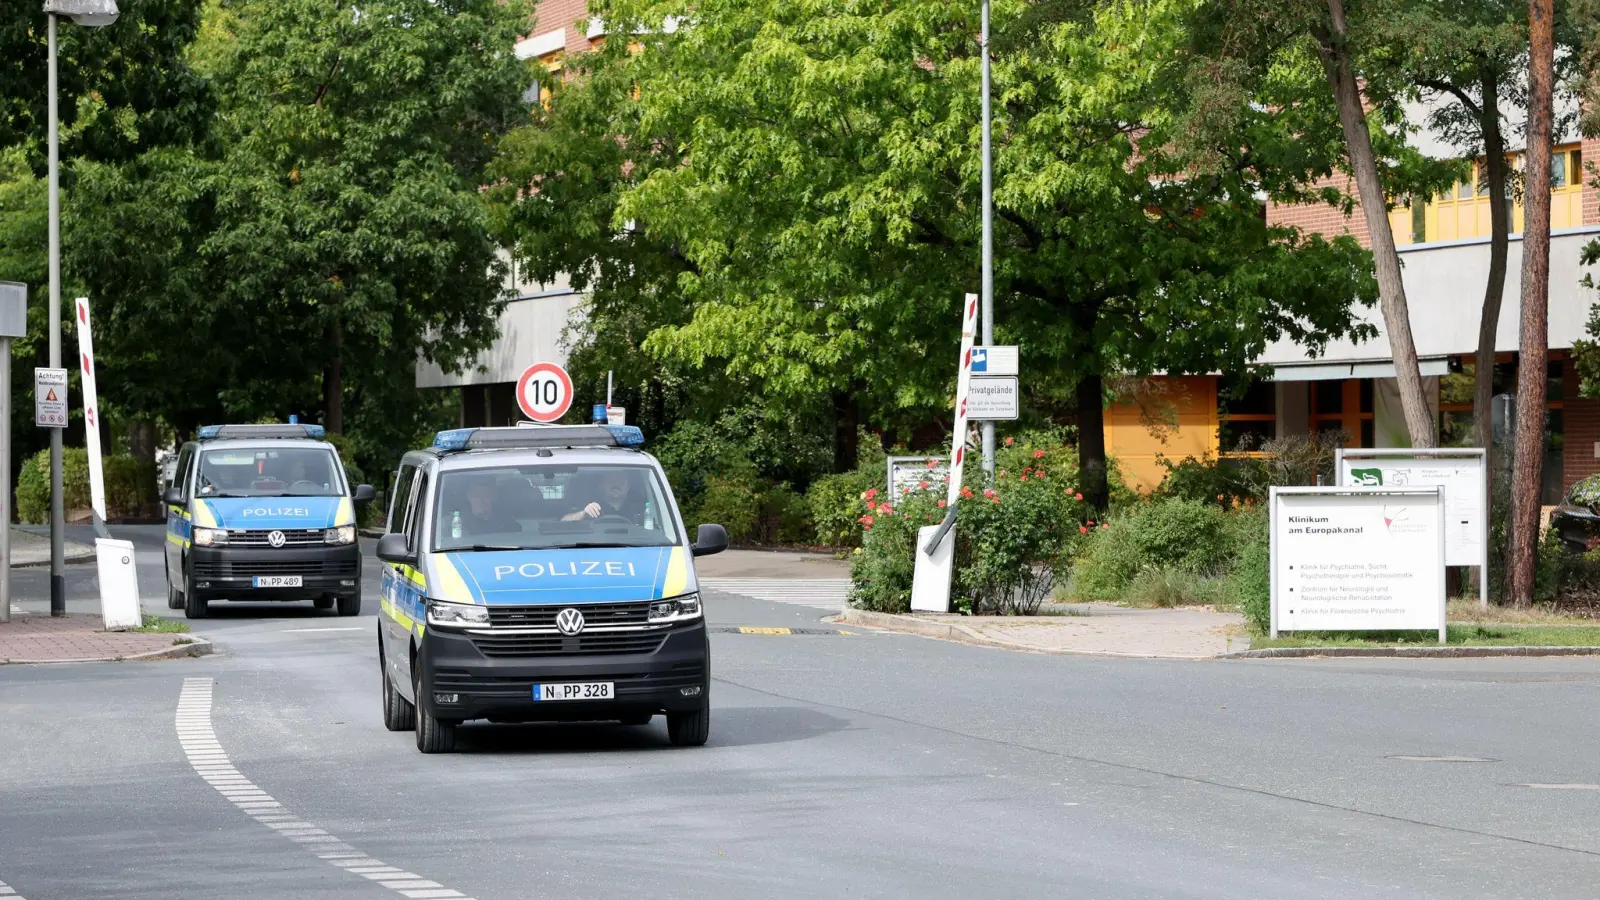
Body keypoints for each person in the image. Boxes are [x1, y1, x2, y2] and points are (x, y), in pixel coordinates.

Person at [562, 469, 646, 523]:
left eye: (620, 480)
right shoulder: (591, 506)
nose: (616, 484)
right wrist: (583, 513)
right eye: (611, 480)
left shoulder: (640, 508)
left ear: (628, 487)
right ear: (601, 485)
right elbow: (563, 521)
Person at [458, 476, 522, 537]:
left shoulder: (505, 522)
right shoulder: (459, 524)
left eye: (485, 495)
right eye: (476, 496)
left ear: (494, 497)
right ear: (469, 497)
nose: (481, 500)